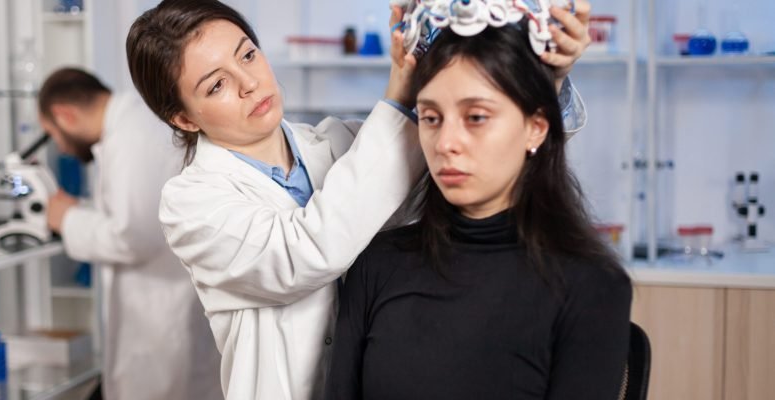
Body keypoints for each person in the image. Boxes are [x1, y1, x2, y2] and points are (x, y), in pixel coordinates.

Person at [125, 1, 592, 398]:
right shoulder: (190, 203)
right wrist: (398, 93)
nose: (249, 82)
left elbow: (478, 173)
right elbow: (306, 252)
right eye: (216, 85)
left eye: (247, 55)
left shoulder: (339, 144)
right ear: (184, 118)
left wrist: (547, 78)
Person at [325, 23, 632, 400]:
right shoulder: (376, 264)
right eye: (431, 118)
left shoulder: (593, 285)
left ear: (536, 128)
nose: (446, 143)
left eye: (476, 118)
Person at [39, 68, 223, 400]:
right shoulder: (130, 125)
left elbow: (134, 238)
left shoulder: (130, 137)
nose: (62, 149)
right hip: (163, 310)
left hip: (162, 318)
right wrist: (78, 211)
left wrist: (67, 219)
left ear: (64, 115)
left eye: (53, 133)